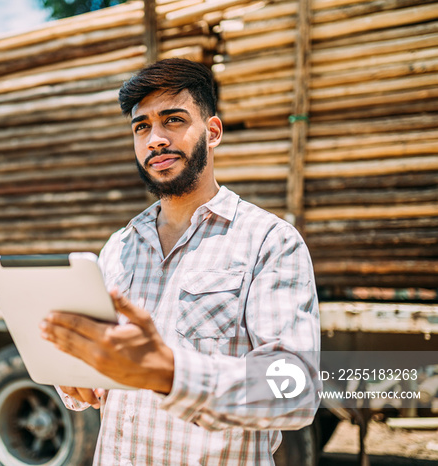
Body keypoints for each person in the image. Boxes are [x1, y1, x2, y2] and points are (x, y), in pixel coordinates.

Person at [40, 58, 320, 465]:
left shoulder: (270, 243)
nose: (154, 139)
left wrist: (169, 374)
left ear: (213, 131)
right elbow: (100, 373)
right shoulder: (118, 247)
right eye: (142, 127)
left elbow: (295, 392)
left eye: (172, 120)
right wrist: (76, 379)